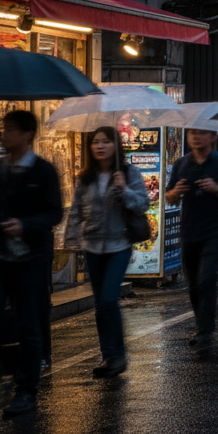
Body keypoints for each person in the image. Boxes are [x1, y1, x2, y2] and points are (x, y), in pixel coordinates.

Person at [63, 126, 150, 377]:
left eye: (105, 142)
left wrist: (124, 189)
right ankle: (108, 355)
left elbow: (143, 203)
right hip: (92, 245)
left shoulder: (128, 172)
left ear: (115, 146)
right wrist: (71, 238)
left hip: (118, 244)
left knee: (109, 299)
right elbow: (77, 208)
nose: (100, 146)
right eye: (95, 142)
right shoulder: (85, 177)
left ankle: (117, 355)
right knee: (100, 304)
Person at [0, 111, 63, 415]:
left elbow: (54, 214)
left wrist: (24, 224)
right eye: (3, 128)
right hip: (2, 257)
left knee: (29, 324)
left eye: (10, 130)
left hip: (31, 260)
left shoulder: (43, 172)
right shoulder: (2, 170)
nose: (4, 134)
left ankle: (27, 389)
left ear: (27, 134)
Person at [166, 128, 218, 349]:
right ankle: (202, 324)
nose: (197, 137)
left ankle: (205, 330)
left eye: (202, 133)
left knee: (207, 279)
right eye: (193, 133)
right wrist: (175, 192)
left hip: (215, 231)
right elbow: (169, 199)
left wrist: (216, 189)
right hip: (189, 231)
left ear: (214, 136)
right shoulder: (181, 164)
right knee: (194, 284)